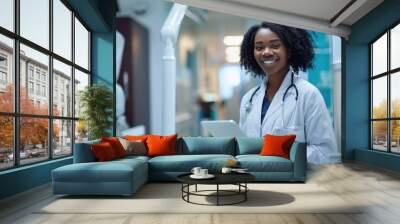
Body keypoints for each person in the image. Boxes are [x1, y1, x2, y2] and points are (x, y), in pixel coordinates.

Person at [238, 22, 341, 164]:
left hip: (294, 183)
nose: (266, 52)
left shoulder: (308, 94)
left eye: (275, 45)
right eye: (259, 47)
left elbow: (326, 153)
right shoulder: (248, 99)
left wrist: (282, 152)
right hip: (255, 178)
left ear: (289, 50)